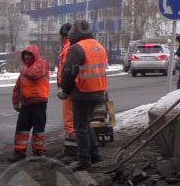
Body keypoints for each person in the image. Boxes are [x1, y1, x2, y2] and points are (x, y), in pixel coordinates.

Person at [59, 20, 107, 171]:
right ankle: (95, 154)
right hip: (98, 91)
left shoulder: (77, 48)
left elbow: (68, 72)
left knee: (80, 126)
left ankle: (83, 159)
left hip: (82, 91)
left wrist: (65, 90)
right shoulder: (98, 46)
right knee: (86, 123)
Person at [9, 44, 50, 162]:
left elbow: (34, 74)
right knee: (22, 128)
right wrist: (15, 102)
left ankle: (38, 150)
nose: (27, 57)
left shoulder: (41, 64)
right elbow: (17, 87)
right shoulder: (25, 70)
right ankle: (19, 151)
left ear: (35, 55)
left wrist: (23, 70)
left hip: (39, 103)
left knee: (38, 128)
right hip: (26, 104)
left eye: (29, 55)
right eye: (25, 55)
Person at [56, 23, 77, 161]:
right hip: (71, 87)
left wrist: (64, 86)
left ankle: (71, 151)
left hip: (69, 88)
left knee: (69, 121)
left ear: (64, 36)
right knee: (73, 120)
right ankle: (72, 149)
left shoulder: (69, 47)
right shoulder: (70, 46)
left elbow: (67, 69)